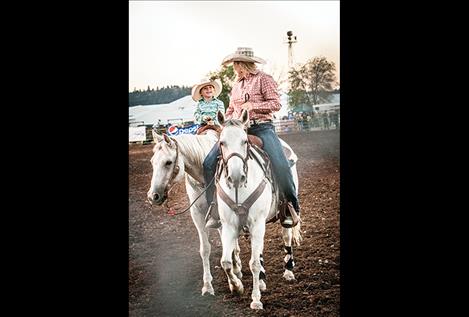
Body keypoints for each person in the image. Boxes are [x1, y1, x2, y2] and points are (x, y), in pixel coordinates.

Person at [203, 47, 300, 229]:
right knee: (208, 163)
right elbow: (232, 109)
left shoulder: (264, 79)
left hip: (262, 128)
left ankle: (291, 206)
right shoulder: (236, 85)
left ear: (242, 63)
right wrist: (225, 119)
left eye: (235, 64)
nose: (234, 67)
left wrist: (253, 105)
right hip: (239, 131)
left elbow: (276, 104)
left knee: (281, 163)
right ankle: (214, 209)